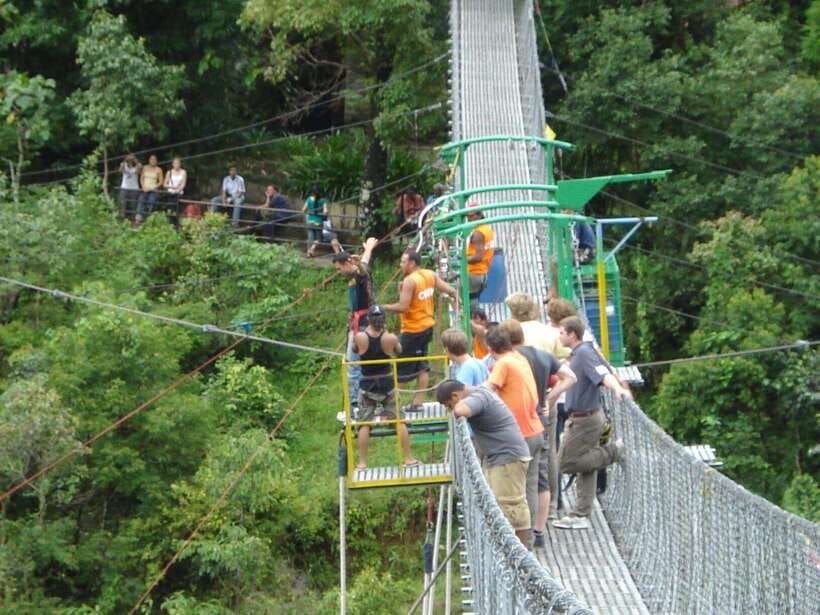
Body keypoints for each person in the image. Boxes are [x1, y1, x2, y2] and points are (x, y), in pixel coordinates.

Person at [497, 319, 576, 548]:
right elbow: (571, 377)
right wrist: (551, 398)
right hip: (539, 420)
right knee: (538, 478)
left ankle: (515, 533)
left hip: (514, 425)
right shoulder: (543, 357)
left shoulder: (509, 361)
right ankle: (536, 531)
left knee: (515, 479)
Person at [553, 316, 629, 530]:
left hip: (585, 419)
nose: (559, 336)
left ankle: (614, 451)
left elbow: (603, 375)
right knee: (587, 465)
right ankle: (581, 513)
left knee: (567, 463)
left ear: (572, 334)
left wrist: (617, 388)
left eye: (561, 332)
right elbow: (607, 368)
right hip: (585, 416)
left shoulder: (584, 353)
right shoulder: (584, 351)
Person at [437, 379, 531, 544]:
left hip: (508, 458)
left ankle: (521, 555)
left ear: (456, 395)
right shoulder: (480, 392)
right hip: (498, 458)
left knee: (511, 507)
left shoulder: (478, 397)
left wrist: (455, 409)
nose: (449, 409)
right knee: (497, 504)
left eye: (448, 404)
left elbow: (461, 410)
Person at [484, 327, 543, 547]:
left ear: (490, 348)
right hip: (535, 430)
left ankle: (513, 543)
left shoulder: (503, 364)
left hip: (518, 437)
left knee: (513, 494)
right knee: (530, 487)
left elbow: (487, 390)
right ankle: (531, 538)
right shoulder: (519, 358)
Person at [383, 249, 457, 412]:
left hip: (413, 330)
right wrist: (456, 299)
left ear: (412, 263)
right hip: (427, 327)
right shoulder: (430, 275)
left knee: (402, 367)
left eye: (403, 262)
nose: (400, 265)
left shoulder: (410, 281)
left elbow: (403, 307)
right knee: (422, 365)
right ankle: (418, 402)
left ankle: (391, 405)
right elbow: (449, 289)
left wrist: (383, 307)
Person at [353, 305, 418, 469]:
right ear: (384, 321)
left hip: (367, 384)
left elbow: (356, 350)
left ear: (368, 319)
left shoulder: (360, 337)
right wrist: (388, 336)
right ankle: (408, 458)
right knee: (399, 420)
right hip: (387, 383)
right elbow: (398, 351)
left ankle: (362, 463)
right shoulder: (390, 338)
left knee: (364, 424)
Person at [333, 237, 378, 419]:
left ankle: (354, 405)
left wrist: (357, 264)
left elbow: (362, 270)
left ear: (346, 264)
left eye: (338, 268)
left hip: (361, 327)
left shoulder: (359, 274)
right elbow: (365, 261)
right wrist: (368, 248)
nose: (337, 272)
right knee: (366, 366)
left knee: (353, 367)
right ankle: (366, 401)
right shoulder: (360, 269)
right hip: (364, 324)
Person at [506, 292, 565, 358]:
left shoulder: (509, 334)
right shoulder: (550, 332)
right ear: (533, 308)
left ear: (512, 312)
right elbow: (566, 354)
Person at [465, 201, 495, 303]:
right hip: (482, 273)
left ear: (479, 215)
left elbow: (478, 257)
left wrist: (461, 260)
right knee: (473, 301)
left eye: (471, 216)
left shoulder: (478, 233)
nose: (469, 219)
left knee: (469, 305)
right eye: (467, 216)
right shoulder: (487, 228)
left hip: (474, 273)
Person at [135, 154, 164, 226]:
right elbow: (141, 178)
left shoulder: (159, 169)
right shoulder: (145, 168)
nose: (153, 161)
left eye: (154, 159)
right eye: (151, 159)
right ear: (149, 160)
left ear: (156, 161)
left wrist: (153, 188)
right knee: (141, 201)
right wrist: (143, 186)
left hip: (153, 190)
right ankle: (138, 220)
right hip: (145, 188)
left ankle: (148, 220)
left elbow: (161, 181)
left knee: (151, 202)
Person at [302, 186, 327, 257]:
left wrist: (309, 212)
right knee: (319, 238)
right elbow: (325, 211)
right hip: (319, 221)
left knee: (310, 238)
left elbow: (303, 210)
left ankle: (308, 253)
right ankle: (312, 249)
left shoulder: (309, 199)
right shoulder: (323, 200)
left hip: (310, 221)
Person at [163, 157, 187, 224]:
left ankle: (178, 225)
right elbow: (164, 184)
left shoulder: (183, 172)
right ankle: (171, 224)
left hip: (179, 194)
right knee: (170, 210)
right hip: (170, 193)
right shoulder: (169, 172)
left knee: (178, 211)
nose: (177, 165)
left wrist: (178, 190)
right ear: (173, 164)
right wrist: (172, 186)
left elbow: (183, 184)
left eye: (178, 163)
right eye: (175, 163)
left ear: (180, 164)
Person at [118, 154, 141, 218]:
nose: (130, 160)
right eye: (129, 159)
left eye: (132, 159)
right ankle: (122, 218)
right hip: (124, 187)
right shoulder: (123, 165)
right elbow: (120, 171)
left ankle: (133, 218)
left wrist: (136, 162)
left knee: (133, 205)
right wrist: (124, 162)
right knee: (122, 204)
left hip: (134, 188)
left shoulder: (137, 166)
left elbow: (138, 172)